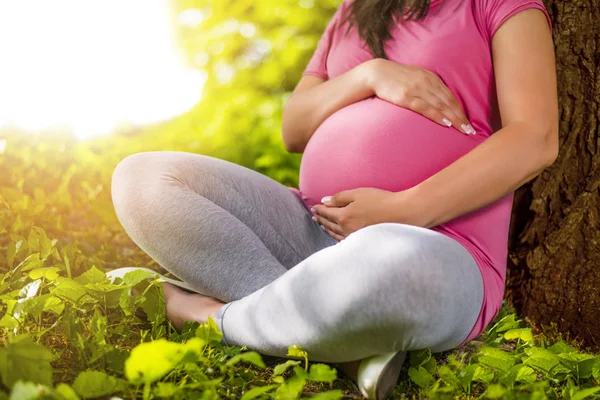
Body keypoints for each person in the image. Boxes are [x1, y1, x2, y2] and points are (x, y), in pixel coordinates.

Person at [109, 0, 558, 397]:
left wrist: (405, 209)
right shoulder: (354, 10)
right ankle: (336, 342)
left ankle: (206, 318)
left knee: (389, 268)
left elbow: (534, 138)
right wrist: (371, 75)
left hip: (434, 245)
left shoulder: (502, 3)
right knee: (144, 178)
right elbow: (294, 127)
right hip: (312, 225)